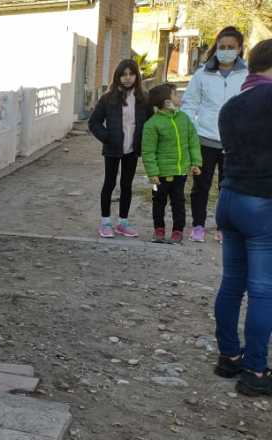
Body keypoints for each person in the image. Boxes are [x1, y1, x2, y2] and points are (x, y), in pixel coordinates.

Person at [212, 38, 272, 397]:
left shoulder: (231, 105)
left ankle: (229, 356)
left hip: (230, 199)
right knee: (263, 290)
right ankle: (256, 372)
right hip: (261, 203)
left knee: (232, 281)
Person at [182, 26, 248, 242]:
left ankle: (223, 227)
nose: (226, 50)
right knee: (201, 186)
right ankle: (198, 226)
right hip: (205, 139)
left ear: (239, 49)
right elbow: (189, 104)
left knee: (227, 188)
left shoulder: (247, 74)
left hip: (234, 143)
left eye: (231, 47)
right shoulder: (202, 74)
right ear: (216, 48)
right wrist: (193, 130)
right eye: (222, 47)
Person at [89, 59, 153, 238]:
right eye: (123, 74)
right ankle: (105, 222)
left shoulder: (143, 99)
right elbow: (94, 122)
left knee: (126, 185)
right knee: (109, 183)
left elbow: (150, 123)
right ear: (117, 76)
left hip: (132, 150)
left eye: (131, 74)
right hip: (113, 149)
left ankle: (123, 223)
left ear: (136, 76)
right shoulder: (108, 99)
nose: (127, 78)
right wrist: (107, 137)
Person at [140, 83, 202, 243]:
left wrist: (195, 162)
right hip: (159, 175)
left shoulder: (184, 119)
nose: (178, 97)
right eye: (175, 95)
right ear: (167, 102)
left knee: (179, 202)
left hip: (180, 172)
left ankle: (177, 231)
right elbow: (148, 152)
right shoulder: (152, 124)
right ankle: (159, 230)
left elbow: (193, 141)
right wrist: (152, 173)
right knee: (158, 202)